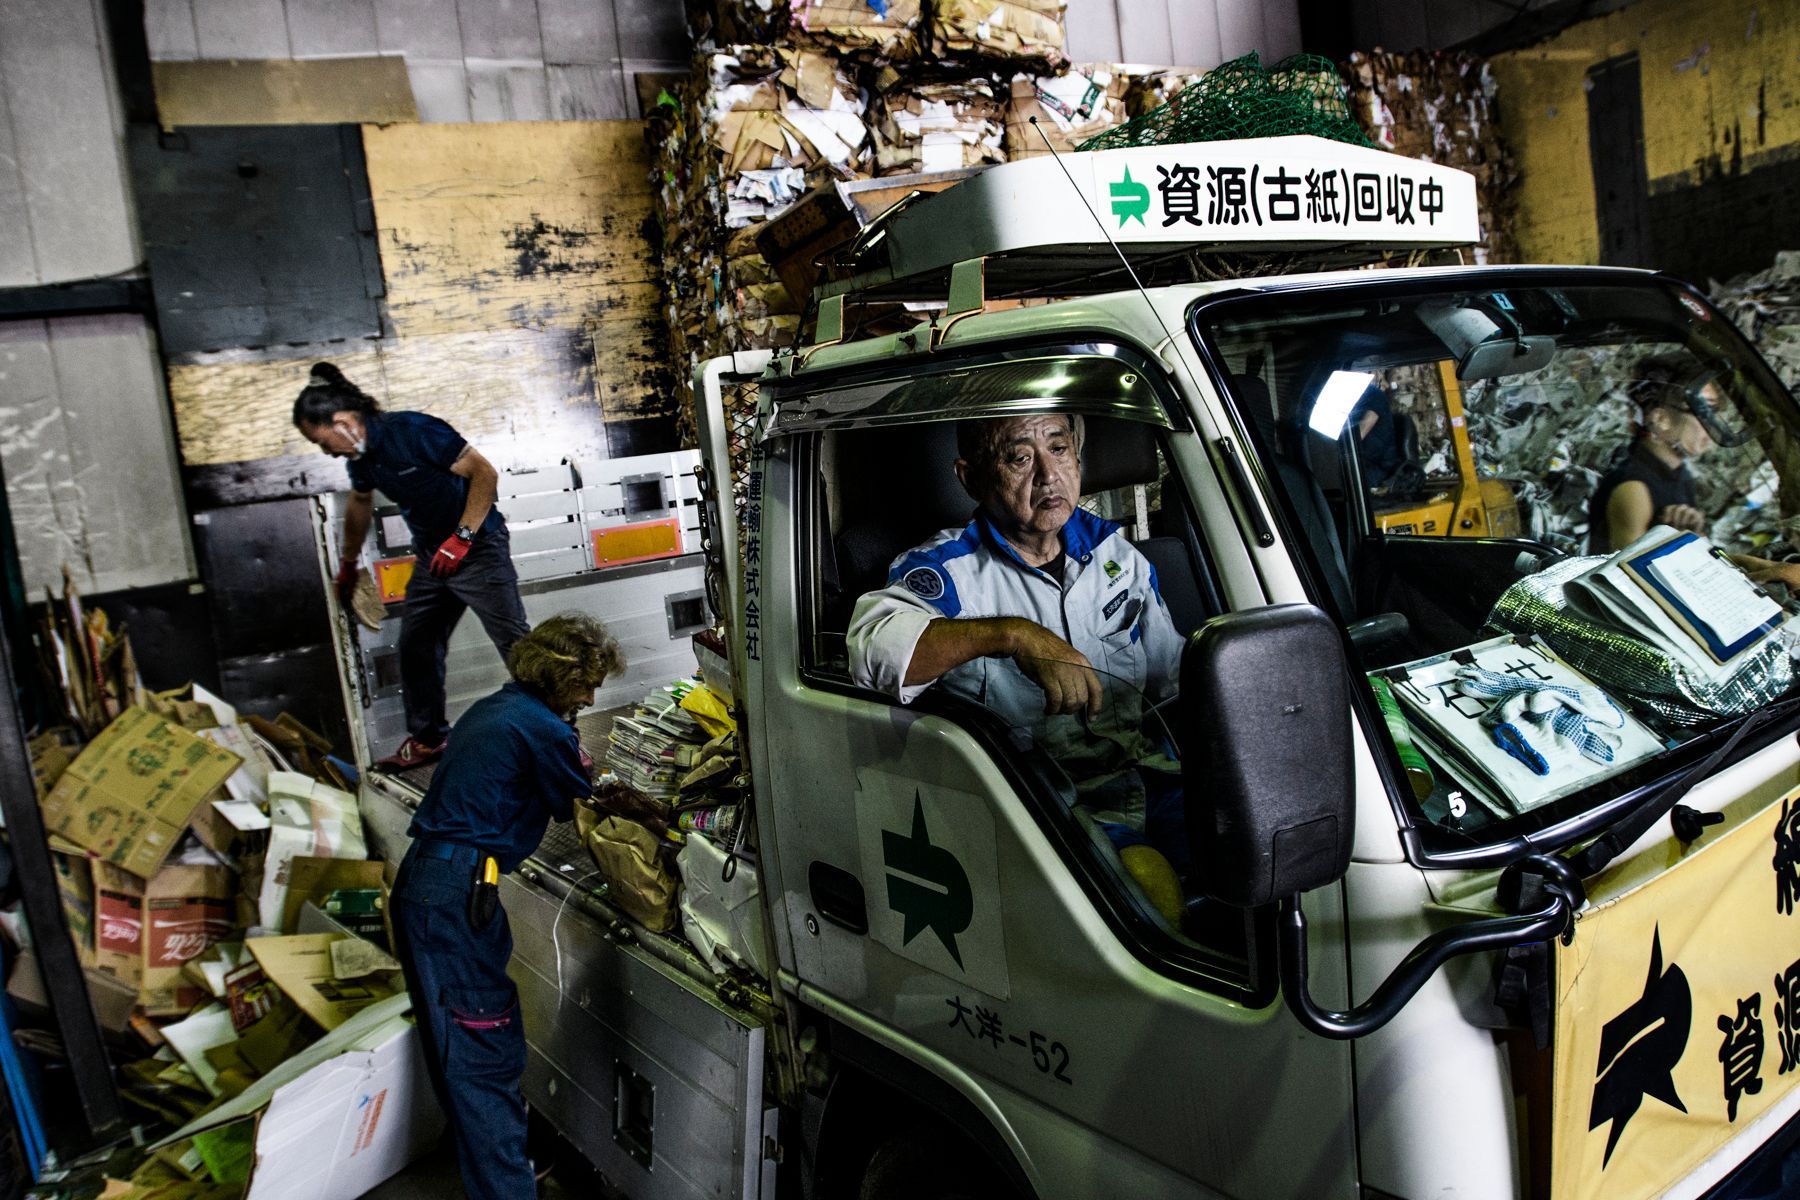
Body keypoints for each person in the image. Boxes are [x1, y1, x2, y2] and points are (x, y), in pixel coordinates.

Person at [846, 414, 1187, 918]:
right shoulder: (947, 571)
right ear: (971, 478)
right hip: (1051, 806)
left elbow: (1172, 677)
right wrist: (1012, 635)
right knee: (1148, 893)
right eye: (1019, 457)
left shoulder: (1118, 556)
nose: (1049, 476)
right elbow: (872, 653)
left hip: (1149, 774)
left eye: (1059, 449)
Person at [389, 613, 622, 1200]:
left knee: (455, 1043)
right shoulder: (543, 727)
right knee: (483, 1052)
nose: (592, 698)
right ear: (559, 677)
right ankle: (506, 1188)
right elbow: (583, 806)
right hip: (457, 892)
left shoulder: (495, 707)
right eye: (585, 684)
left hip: (424, 882)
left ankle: (485, 1161)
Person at [294, 362, 528, 771]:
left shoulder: (415, 431)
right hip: (432, 557)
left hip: (479, 547)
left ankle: (561, 734)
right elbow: (360, 503)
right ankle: (429, 739)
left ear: (344, 421)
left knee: (517, 645)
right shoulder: (362, 460)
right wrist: (348, 564)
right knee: (417, 645)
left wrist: (462, 538)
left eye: (321, 440)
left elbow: (484, 474)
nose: (326, 451)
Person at [1588, 355, 1743, 554]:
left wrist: (1691, 534)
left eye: (1715, 412)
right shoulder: (1634, 488)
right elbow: (1627, 573)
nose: (1713, 425)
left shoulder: (1679, 474)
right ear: (1661, 419)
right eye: (1704, 411)